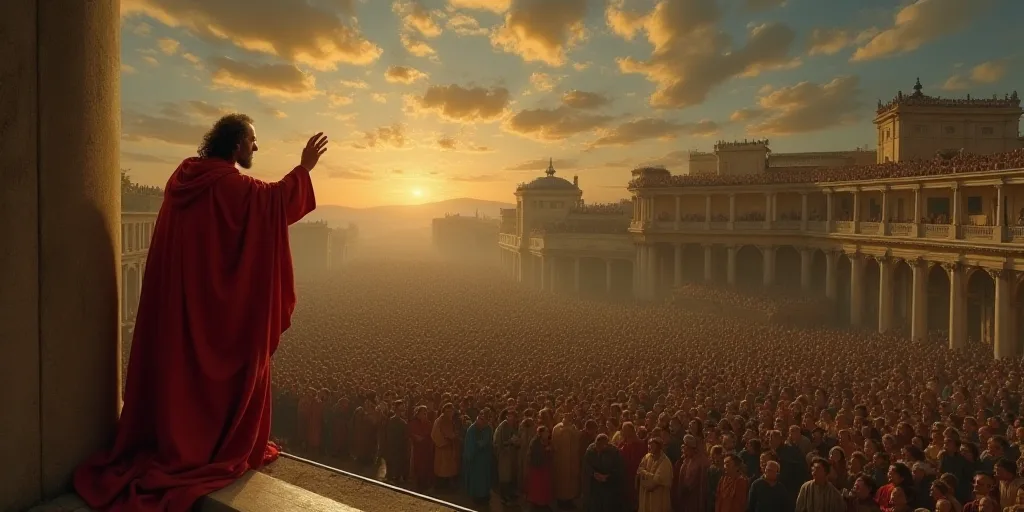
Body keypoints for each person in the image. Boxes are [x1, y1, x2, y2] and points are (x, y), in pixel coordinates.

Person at [73, 115, 325, 512]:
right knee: (231, 373)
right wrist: (304, 167)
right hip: (215, 313)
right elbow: (277, 202)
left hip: (183, 304)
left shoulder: (183, 178)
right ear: (236, 143)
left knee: (181, 376)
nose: (256, 147)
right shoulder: (234, 187)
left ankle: (182, 440)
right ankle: (207, 446)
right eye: (252, 140)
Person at [583, 434, 626, 512]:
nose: (599, 448)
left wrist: (608, 476)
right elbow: (586, 465)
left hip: (609, 484)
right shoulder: (590, 450)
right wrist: (594, 474)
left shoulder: (614, 452)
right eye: (597, 445)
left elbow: (619, 468)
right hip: (595, 483)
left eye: (602, 446)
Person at [462, 408, 494, 507]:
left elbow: (488, 440)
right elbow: (470, 445)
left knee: (485, 478)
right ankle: (476, 496)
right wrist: (470, 456)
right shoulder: (472, 430)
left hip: (485, 458)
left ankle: (485, 495)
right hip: (476, 460)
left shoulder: (488, 428)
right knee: (476, 479)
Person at [637, 436, 673, 512]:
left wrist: (644, 473)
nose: (649, 447)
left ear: (659, 447)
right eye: (649, 444)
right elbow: (639, 470)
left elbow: (657, 480)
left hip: (658, 496)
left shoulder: (665, 462)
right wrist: (645, 475)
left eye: (652, 445)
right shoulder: (647, 457)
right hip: (646, 495)